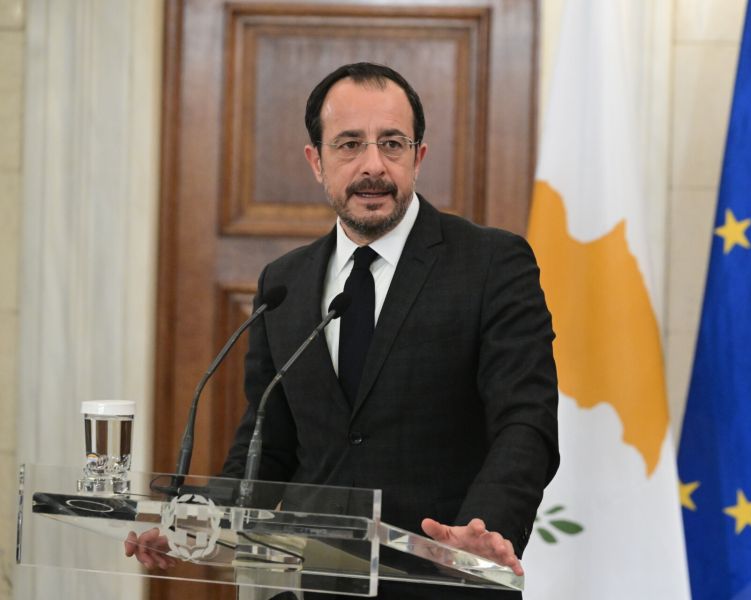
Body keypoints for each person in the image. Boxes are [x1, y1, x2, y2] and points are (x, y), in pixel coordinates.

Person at [128, 62, 559, 599]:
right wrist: (200, 522)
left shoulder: (491, 264)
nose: (373, 165)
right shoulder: (284, 283)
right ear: (317, 160)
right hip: (305, 583)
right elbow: (267, 443)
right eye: (350, 144)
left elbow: (526, 419)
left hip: (442, 580)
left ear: (419, 157)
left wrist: (485, 529)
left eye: (392, 144)